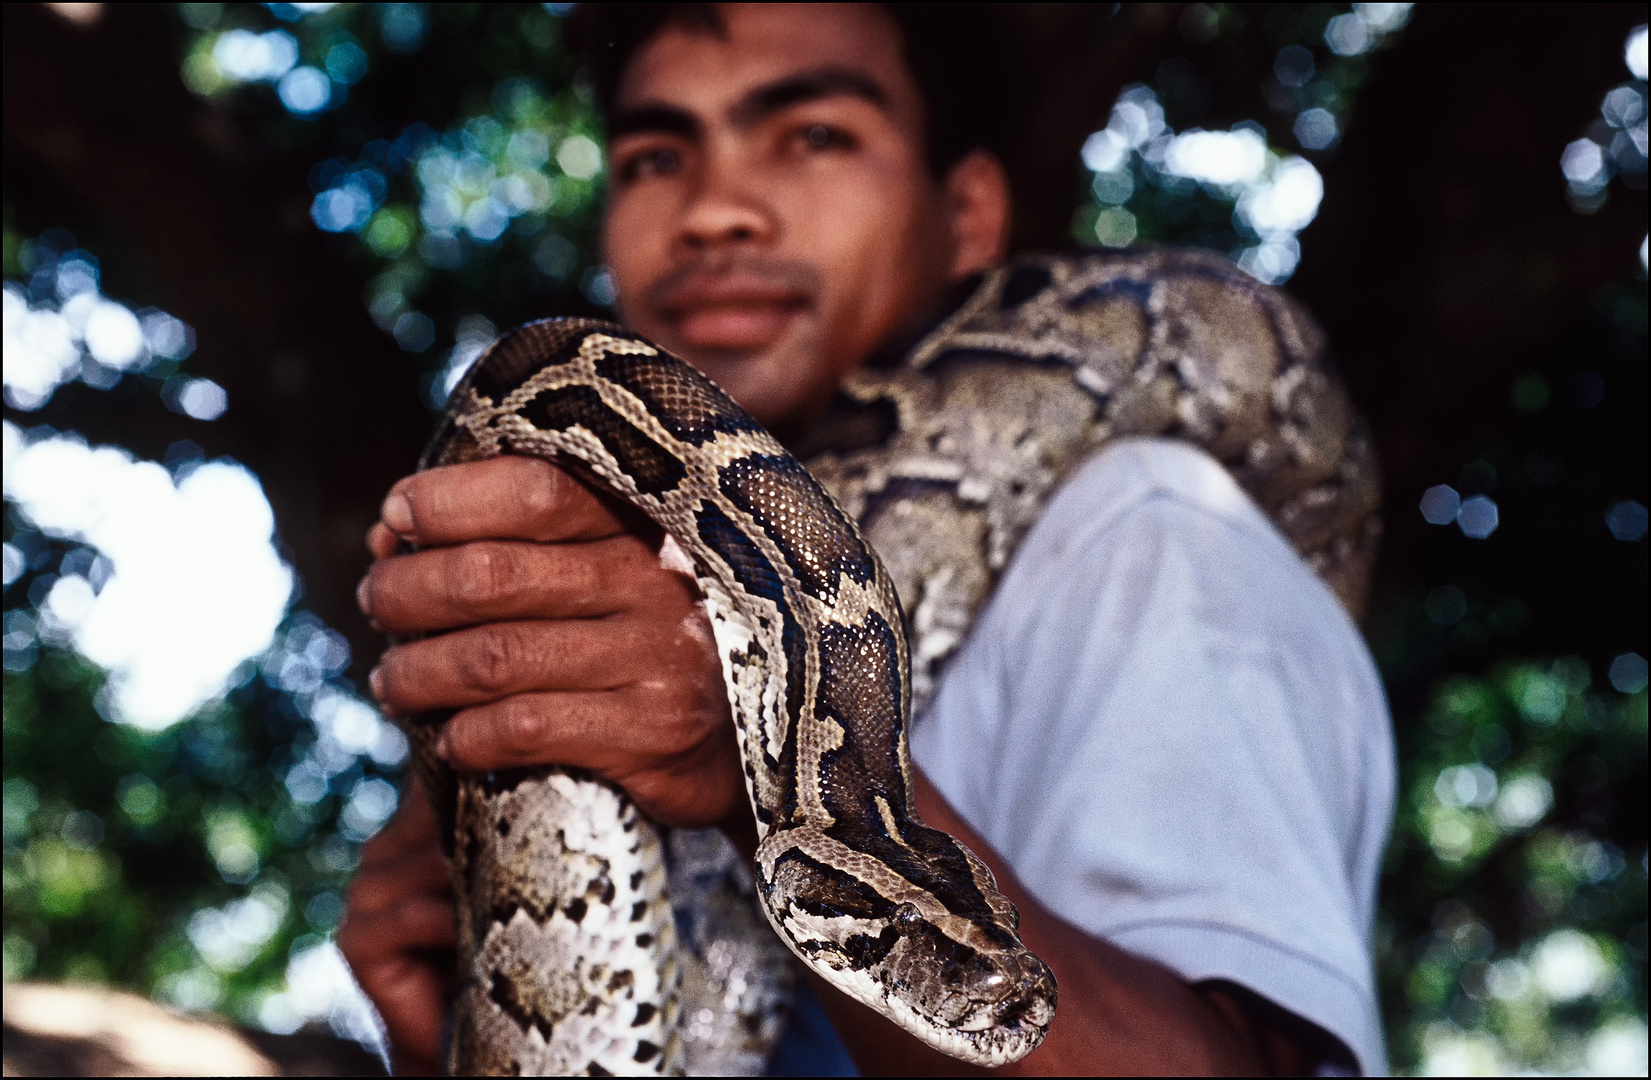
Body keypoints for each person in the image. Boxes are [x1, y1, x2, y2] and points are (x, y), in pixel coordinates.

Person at [339, 5, 1394, 1075]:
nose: (715, 212)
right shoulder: (619, 606)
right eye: (658, 155)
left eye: (813, 136)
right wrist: (478, 1024)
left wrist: (746, 753)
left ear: (970, 211)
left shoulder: (1148, 535)